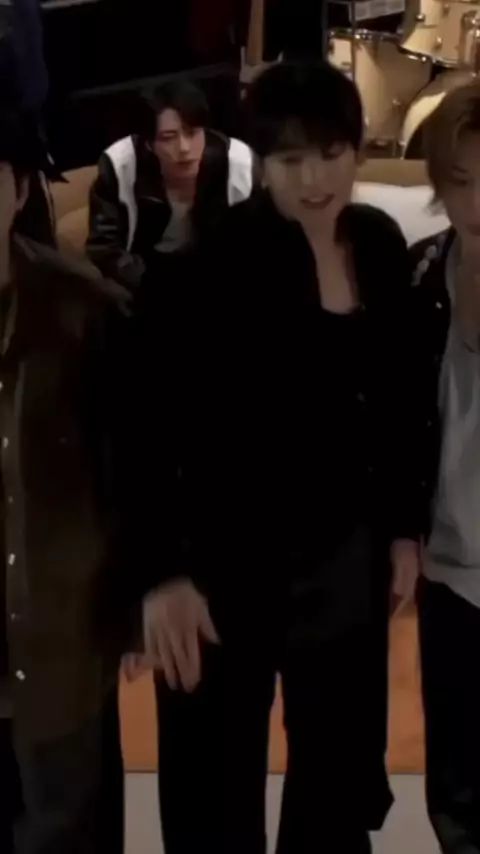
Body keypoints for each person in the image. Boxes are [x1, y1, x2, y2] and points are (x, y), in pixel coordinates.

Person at [138, 61, 421, 854]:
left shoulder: (379, 245)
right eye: (291, 159)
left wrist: (403, 525)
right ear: (261, 162)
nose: (315, 178)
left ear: (356, 150)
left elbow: (401, 403)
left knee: (334, 781)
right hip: (227, 561)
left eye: (331, 153)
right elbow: (148, 430)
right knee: (213, 788)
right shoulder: (206, 265)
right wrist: (163, 573)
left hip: (344, 558)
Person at [0, 107, 130, 854]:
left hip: (59, 648)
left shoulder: (85, 311)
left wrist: (138, 593)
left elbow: (132, 469)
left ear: (19, 189)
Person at [396, 81, 480, 854]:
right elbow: (398, 421)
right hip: (449, 570)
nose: (478, 202)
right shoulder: (422, 274)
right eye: (460, 181)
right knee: (456, 788)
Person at [86, 77, 255, 292]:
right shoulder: (120, 165)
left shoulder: (238, 164)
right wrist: (155, 288)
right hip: (146, 280)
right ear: (149, 144)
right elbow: (105, 249)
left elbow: (258, 245)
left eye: (193, 133)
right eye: (168, 138)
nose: (184, 148)